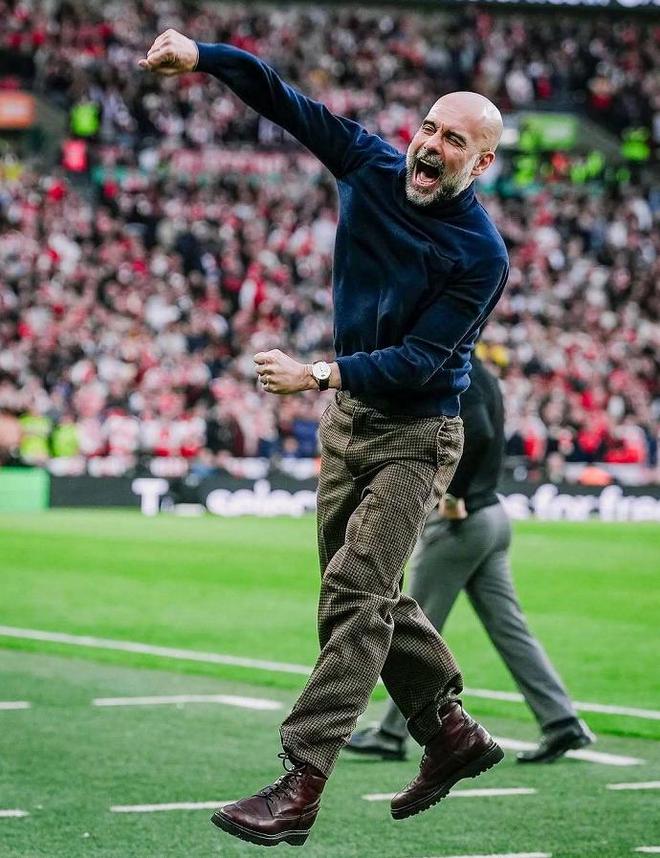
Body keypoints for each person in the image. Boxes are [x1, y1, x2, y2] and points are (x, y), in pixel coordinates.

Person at [139, 30, 509, 847]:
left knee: (352, 595)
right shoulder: (370, 163)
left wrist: (319, 373)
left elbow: (420, 363)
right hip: (348, 426)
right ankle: (448, 732)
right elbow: (283, 99)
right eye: (428, 127)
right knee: (364, 594)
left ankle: (300, 783)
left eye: (454, 140)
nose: (430, 145)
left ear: (480, 163)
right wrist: (202, 56)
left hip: (417, 434)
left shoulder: (481, 254)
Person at [347, 355, 595, 765]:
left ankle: (391, 732)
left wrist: (454, 494)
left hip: (462, 523)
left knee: (413, 624)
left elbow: (476, 430)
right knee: (510, 629)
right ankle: (561, 720)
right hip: (491, 516)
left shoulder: (458, 373)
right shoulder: (484, 374)